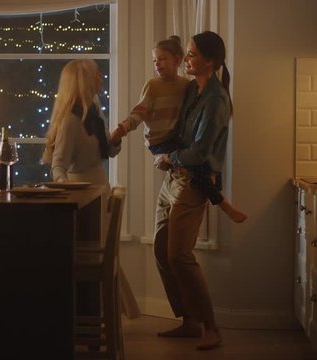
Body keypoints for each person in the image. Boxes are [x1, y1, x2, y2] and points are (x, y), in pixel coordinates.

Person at [149, 31, 235, 351]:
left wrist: (167, 156)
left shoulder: (215, 100)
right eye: (185, 54)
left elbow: (199, 151)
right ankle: (189, 321)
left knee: (179, 255)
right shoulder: (191, 91)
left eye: (192, 55)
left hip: (194, 182)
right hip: (172, 179)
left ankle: (211, 326)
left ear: (209, 62)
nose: (186, 60)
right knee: (160, 249)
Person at [41, 59, 140, 321]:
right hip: (83, 195)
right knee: (100, 253)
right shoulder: (71, 120)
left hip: (99, 189)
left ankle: (98, 310)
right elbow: (58, 164)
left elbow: (106, 150)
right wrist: (67, 193)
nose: (101, 77)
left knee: (104, 252)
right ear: (86, 80)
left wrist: (116, 138)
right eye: (96, 74)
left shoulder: (94, 111)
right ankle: (94, 310)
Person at [110, 36, 247, 223]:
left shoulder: (194, 89)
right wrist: (124, 127)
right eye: (154, 60)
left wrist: (171, 158)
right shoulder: (162, 86)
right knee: (196, 170)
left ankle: (221, 197)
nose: (157, 64)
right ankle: (221, 199)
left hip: (177, 148)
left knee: (197, 169)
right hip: (161, 144)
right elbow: (139, 112)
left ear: (176, 59)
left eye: (162, 59)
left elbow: (199, 148)